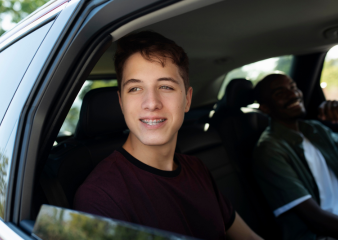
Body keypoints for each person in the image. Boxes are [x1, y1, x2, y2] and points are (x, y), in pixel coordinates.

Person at [74, 31, 262, 240]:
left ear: (187, 99)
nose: (152, 102)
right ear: (121, 103)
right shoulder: (100, 198)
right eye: (135, 88)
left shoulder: (196, 168)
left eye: (165, 86)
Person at [253, 73, 338, 240]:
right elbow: (317, 221)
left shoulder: (315, 129)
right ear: (265, 108)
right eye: (280, 93)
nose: (293, 94)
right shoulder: (269, 150)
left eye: (293, 88)